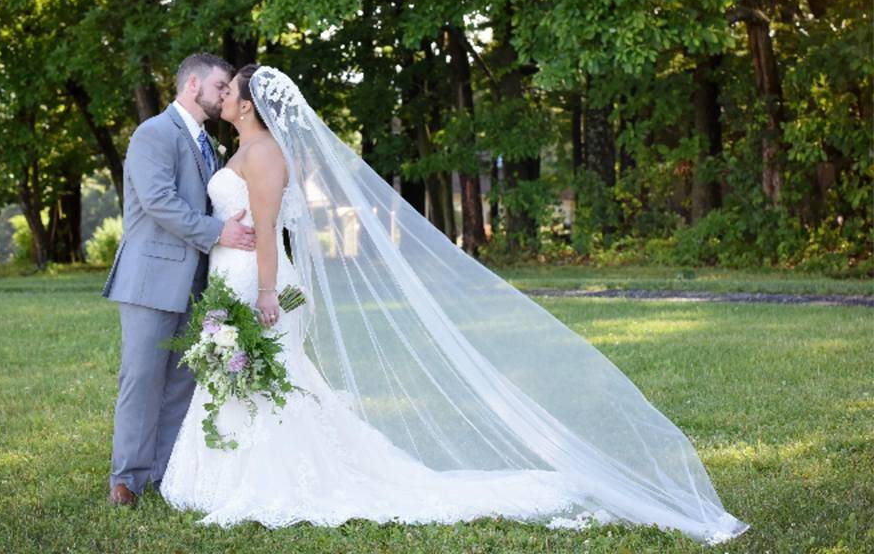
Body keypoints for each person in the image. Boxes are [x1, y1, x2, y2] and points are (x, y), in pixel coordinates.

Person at [161, 64, 748, 545]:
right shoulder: (236, 149)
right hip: (229, 275)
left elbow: (267, 230)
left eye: (230, 91)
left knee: (269, 376)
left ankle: (269, 475)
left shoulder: (263, 156)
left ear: (248, 105)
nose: (223, 96)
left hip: (257, 281)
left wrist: (266, 292)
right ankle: (224, 467)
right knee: (250, 377)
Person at [102, 53, 256, 506]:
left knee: (182, 382)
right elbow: (159, 201)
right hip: (152, 279)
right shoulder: (153, 133)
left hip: (197, 281)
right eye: (221, 86)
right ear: (193, 84)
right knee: (142, 378)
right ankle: (126, 479)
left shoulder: (209, 144)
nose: (226, 94)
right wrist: (219, 232)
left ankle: (163, 474)